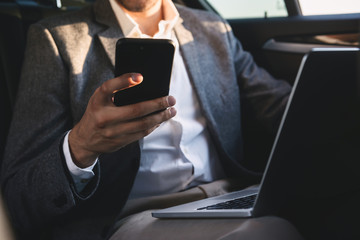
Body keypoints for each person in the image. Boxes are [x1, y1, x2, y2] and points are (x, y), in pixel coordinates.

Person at [1, 0, 300, 239]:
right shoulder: (56, 38)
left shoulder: (211, 27)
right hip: (136, 216)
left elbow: (278, 104)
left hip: (234, 194)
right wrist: (80, 145)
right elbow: (18, 196)